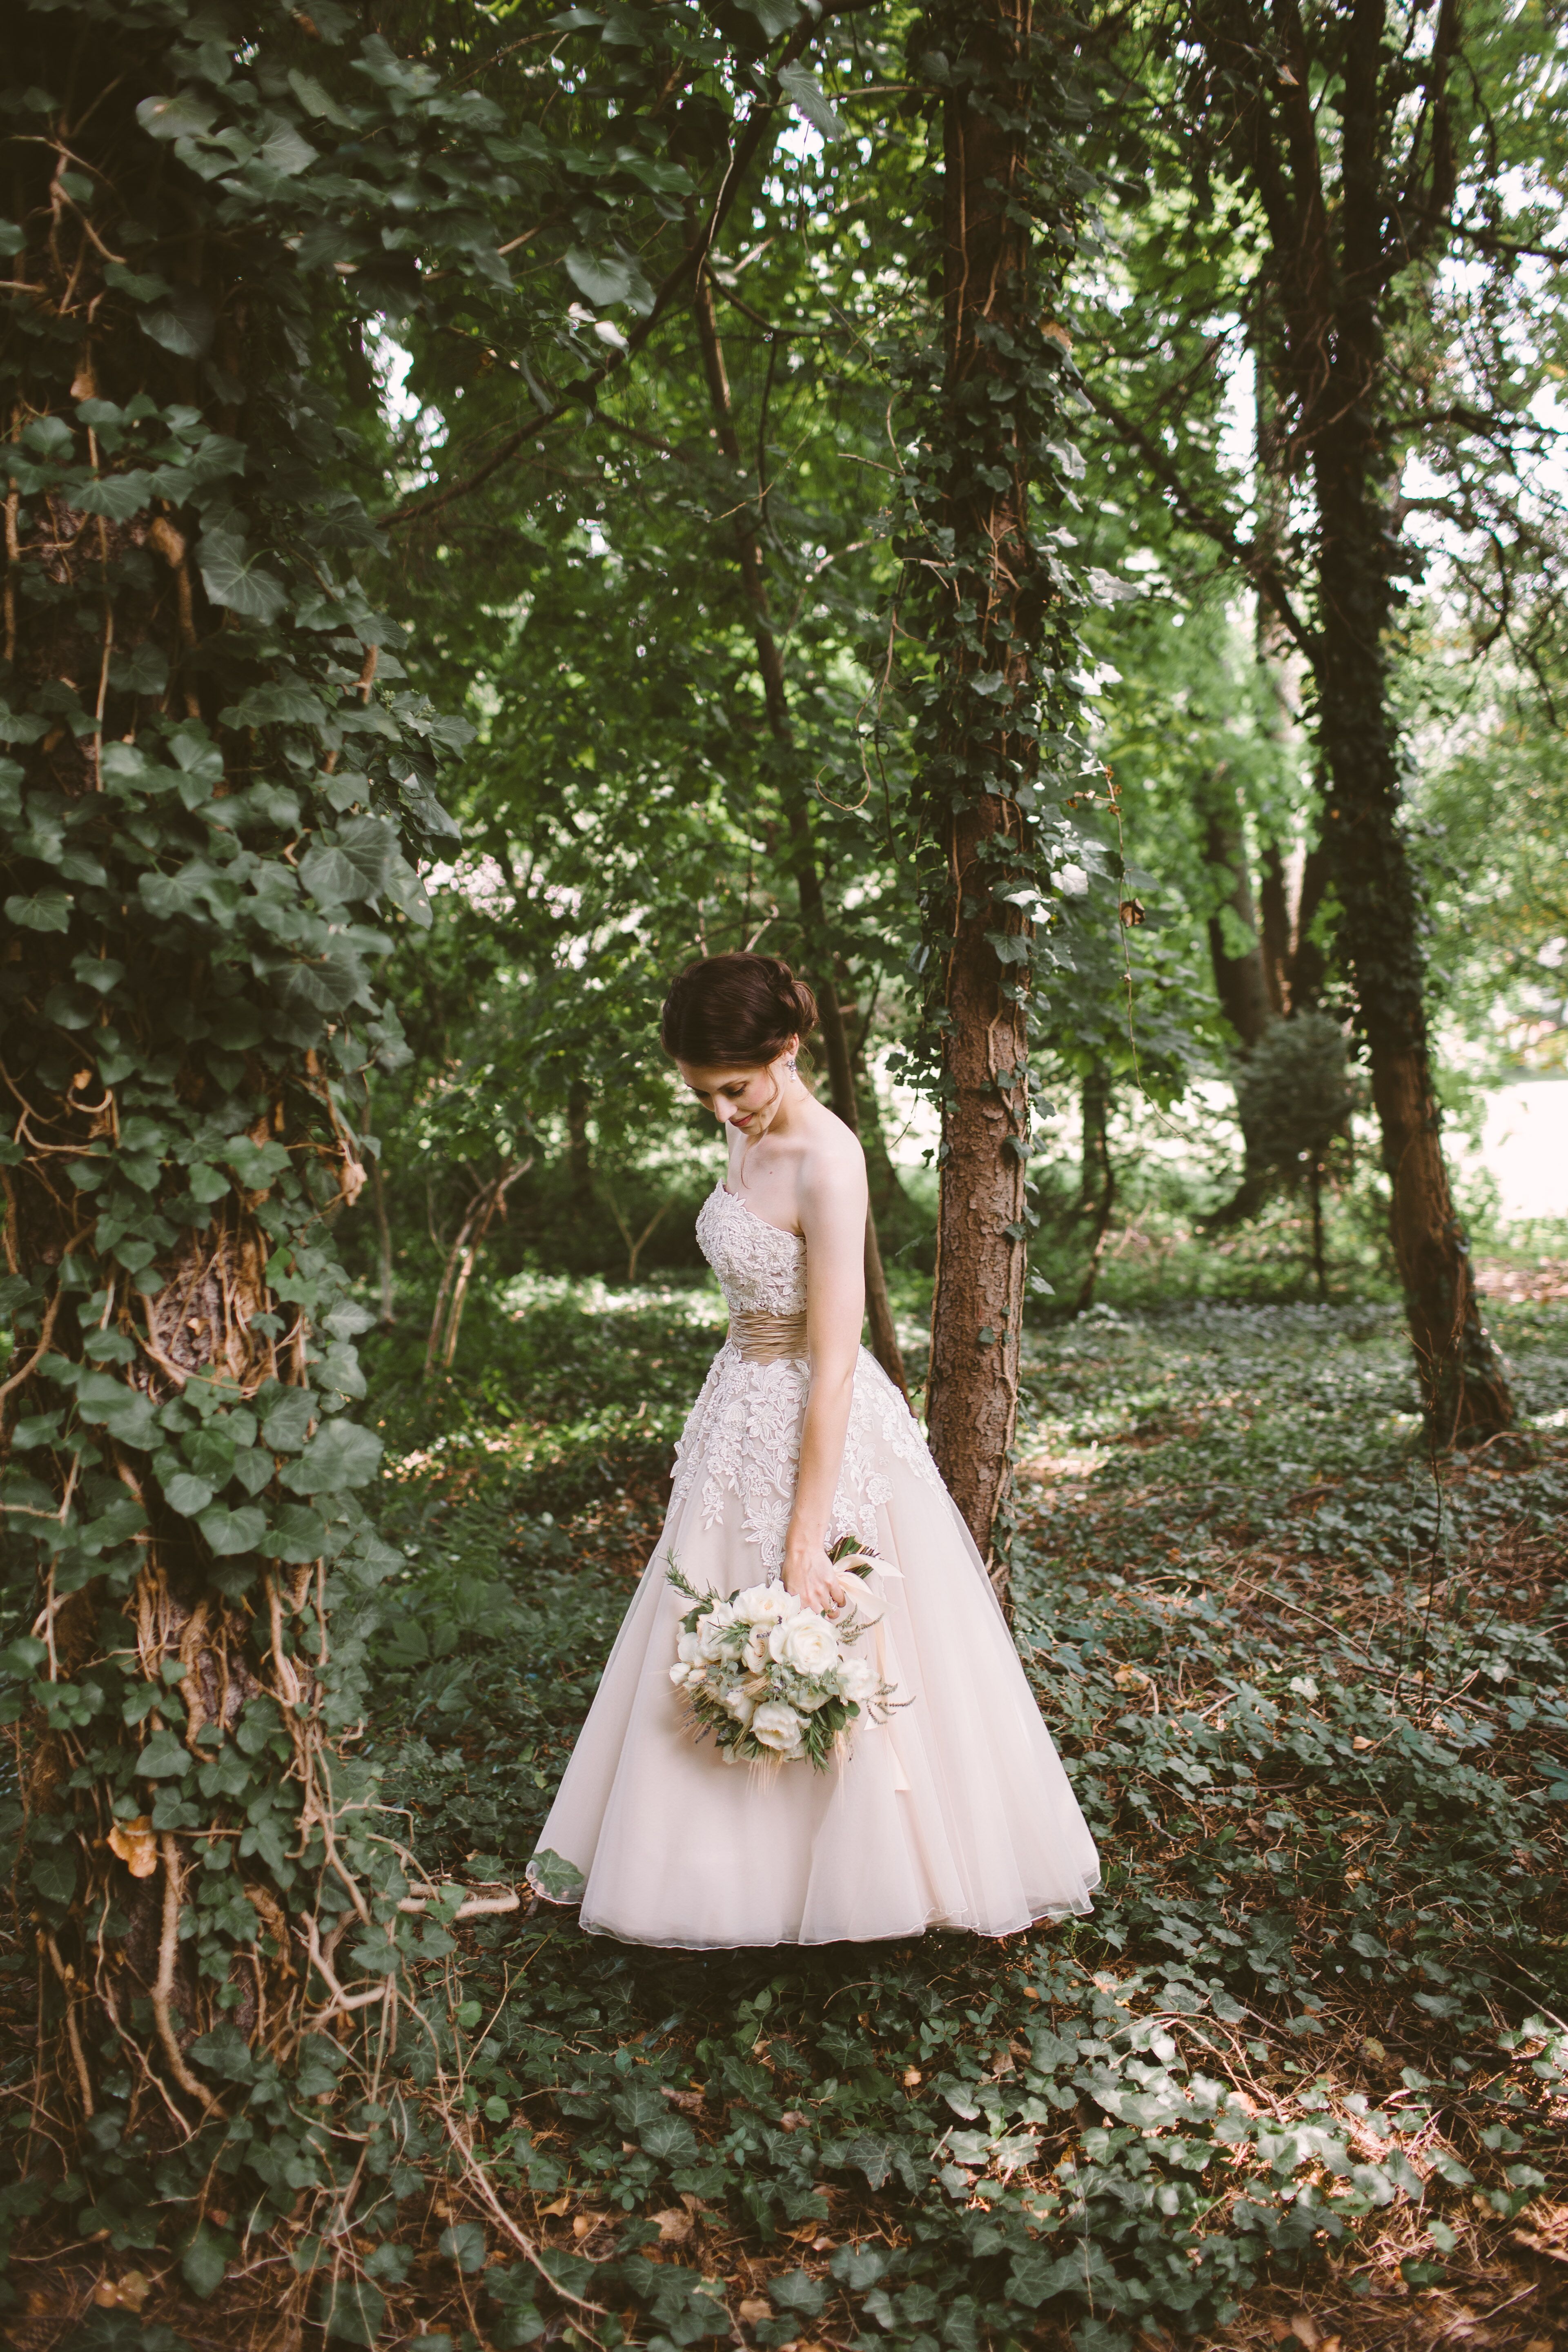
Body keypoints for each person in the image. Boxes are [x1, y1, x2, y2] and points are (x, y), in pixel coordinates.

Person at [526, 951, 1100, 1947]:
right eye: (703, 1094)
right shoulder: (747, 1135)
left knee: (832, 1636)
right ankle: (716, 1882)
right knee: (704, 1635)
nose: (722, 1112)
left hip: (816, 1419)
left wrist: (805, 1540)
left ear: (786, 1051)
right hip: (737, 1411)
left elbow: (835, 1362)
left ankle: (864, 1883)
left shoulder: (830, 1158)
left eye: (735, 1089)